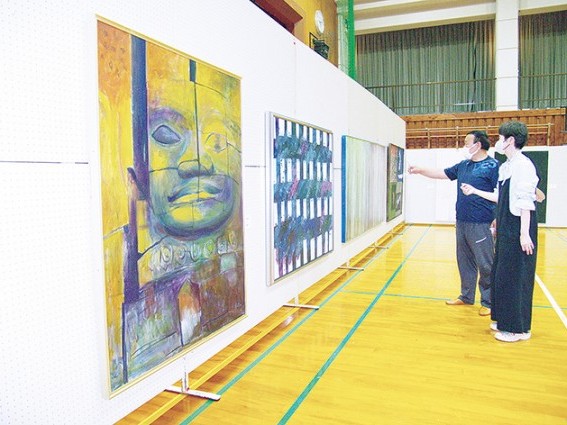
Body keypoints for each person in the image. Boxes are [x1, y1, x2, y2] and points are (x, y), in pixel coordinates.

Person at [461, 121, 539, 342]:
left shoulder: (524, 166)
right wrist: (475, 191)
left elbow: (526, 202)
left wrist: (524, 234)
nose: (498, 141)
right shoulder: (507, 166)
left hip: (518, 228)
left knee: (516, 277)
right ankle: (503, 320)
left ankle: (517, 329)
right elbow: (501, 197)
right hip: (505, 227)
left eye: (501, 138)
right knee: (501, 275)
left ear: (510, 140)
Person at [408, 131, 499, 316]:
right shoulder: (463, 165)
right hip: (462, 221)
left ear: (478, 145)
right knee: (465, 261)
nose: (464, 146)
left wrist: (497, 218)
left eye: (466, 143)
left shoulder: (493, 166)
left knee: (486, 264)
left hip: (482, 223)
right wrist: (420, 170)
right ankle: (466, 296)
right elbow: (441, 173)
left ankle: (489, 301)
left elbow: (500, 194)